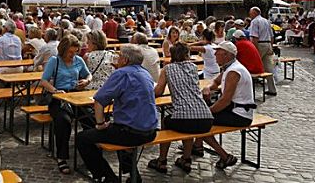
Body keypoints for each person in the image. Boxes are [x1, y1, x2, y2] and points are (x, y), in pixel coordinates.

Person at [76, 44, 158, 183]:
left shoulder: (121, 73)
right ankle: (133, 175)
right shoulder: (145, 73)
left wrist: (100, 124)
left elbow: (99, 101)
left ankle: (107, 176)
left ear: (125, 60)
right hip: (151, 131)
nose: (117, 58)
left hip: (131, 132)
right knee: (118, 131)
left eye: (119, 56)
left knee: (83, 138)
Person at [148, 42, 213, 174]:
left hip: (185, 119)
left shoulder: (167, 69)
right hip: (206, 117)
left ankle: (162, 160)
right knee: (187, 118)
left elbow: (159, 91)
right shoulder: (194, 67)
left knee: (167, 121)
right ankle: (186, 158)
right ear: (187, 54)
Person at [194, 41, 256, 169]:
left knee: (201, 122)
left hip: (240, 115)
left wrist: (208, 112)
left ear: (227, 55)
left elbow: (225, 100)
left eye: (218, 52)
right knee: (201, 116)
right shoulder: (230, 67)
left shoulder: (234, 71)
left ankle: (225, 156)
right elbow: (216, 82)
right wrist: (208, 88)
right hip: (234, 109)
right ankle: (197, 146)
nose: (215, 54)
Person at [39, 35, 92, 174]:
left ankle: (91, 155)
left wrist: (86, 81)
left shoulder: (78, 60)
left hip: (75, 95)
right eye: (70, 52)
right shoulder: (54, 61)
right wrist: (55, 90)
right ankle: (61, 157)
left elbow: (88, 75)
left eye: (75, 52)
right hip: (58, 98)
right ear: (63, 50)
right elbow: (44, 80)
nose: (72, 55)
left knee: (91, 119)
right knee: (64, 121)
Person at [249, 7, 277, 96]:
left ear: (255, 13)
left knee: (252, 66)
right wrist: (271, 47)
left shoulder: (254, 22)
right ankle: (272, 89)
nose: (250, 14)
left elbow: (254, 37)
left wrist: (255, 49)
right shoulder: (266, 21)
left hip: (260, 44)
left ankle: (249, 90)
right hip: (267, 44)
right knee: (269, 68)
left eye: (251, 13)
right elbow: (272, 36)